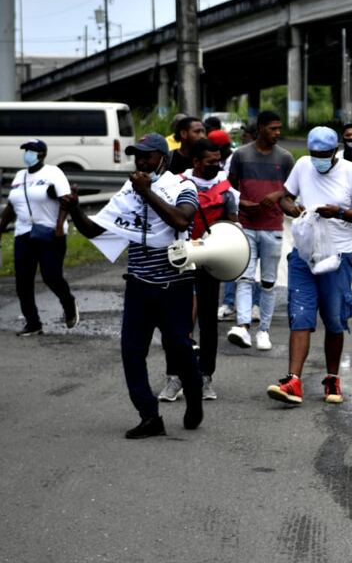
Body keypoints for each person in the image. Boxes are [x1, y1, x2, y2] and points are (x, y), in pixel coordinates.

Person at [61, 133, 204, 438]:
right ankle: (150, 416)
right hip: (139, 285)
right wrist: (74, 208)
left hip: (174, 284)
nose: (140, 161)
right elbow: (94, 230)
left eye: (147, 155)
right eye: (136, 155)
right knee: (131, 351)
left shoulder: (182, 186)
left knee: (178, 348)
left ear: (162, 158)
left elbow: (181, 221)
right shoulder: (129, 191)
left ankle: (194, 397)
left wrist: (148, 193)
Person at [267, 126, 352, 406]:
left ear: (335, 151)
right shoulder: (303, 165)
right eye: (314, 154)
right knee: (300, 316)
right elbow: (286, 196)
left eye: (323, 155)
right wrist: (289, 207)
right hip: (304, 255)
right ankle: (293, 380)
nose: (318, 159)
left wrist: (337, 211)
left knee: (334, 320)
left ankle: (332, 376)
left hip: (337, 257)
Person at [159, 139, 237, 403]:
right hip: (179, 260)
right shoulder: (176, 184)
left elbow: (231, 228)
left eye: (218, 161)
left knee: (208, 322)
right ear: (195, 162)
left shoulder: (225, 189)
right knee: (175, 322)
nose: (216, 165)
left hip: (210, 261)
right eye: (209, 162)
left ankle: (205, 376)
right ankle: (174, 377)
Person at [226, 110, 294, 351]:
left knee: (268, 282)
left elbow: (291, 190)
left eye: (279, 128)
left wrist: (278, 195)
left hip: (272, 227)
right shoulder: (241, 155)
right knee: (243, 277)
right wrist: (240, 203)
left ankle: (263, 330)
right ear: (261, 128)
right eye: (273, 128)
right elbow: (229, 189)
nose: (278, 133)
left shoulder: (285, 158)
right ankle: (243, 326)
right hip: (246, 225)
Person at [1, 139, 77, 335]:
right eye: (25, 150)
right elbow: (11, 206)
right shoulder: (20, 176)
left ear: (42, 154)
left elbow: (66, 200)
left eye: (31, 150)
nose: (27, 153)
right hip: (23, 234)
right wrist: (1, 227)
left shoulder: (53, 173)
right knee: (23, 282)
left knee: (51, 276)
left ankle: (69, 304)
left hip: (50, 233)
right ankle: (33, 323)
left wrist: (60, 226)